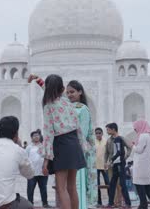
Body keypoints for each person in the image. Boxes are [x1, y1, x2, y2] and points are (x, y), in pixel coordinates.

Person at [30, 74, 86, 209]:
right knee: (72, 187)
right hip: (74, 144)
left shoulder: (48, 107)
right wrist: (38, 80)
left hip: (61, 145)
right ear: (62, 89)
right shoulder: (67, 101)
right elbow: (78, 127)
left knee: (61, 188)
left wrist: (46, 161)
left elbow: (48, 134)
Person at [66, 80, 98, 208]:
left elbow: (83, 133)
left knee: (79, 183)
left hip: (80, 151)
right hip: (69, 150)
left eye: (72, 92)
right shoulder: (67, 107)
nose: (69, 95)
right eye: (67, 92)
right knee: (71, 185)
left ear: (80, 92)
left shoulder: (82, 109)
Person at [105, 122, 132, 208]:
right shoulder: (109, 140)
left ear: (113, 129)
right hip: (114, 165)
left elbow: (129, 147)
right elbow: (107, 152)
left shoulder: (120, 139)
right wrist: (107, 162)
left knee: (122, 184)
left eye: (108, 129)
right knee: (112, 184)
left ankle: (128, 204)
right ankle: (110, 203)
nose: (107, 131)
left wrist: (125, 157)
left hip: (120, 163)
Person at [26, 130, 49, 207]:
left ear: (40, 136)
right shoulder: (29, 147)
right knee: (30, 189)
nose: (36, 136)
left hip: (42, 172)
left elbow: (47, 157)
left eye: (37, 135)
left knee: (43, 189)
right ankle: (30, 204)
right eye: (34, 135)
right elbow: (25, 158)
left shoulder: (43, 146)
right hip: (32, 172)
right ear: (31, 137)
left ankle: (45, 203)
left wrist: (45, 167)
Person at [95, 127, 110, 207]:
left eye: (99, 133)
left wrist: (107, 163)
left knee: (108, 184)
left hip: (105, 166)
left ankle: (110, 202)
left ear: (102, 133)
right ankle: (99, 202)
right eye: (96, 133)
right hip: (95, 167)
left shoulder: (106, 141)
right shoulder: (93, 142)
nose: (98, 134)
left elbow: (108, 153)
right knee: (97, 185)